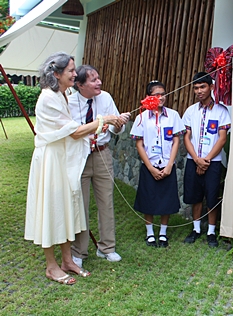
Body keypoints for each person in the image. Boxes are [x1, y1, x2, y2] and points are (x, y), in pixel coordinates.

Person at [25, 52, 122, 285]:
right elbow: (75, 131)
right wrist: (104, 120)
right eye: (70, 70)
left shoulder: (63, 94)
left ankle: (68, 260)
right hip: (51, 161)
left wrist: (105, 125)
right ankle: (52, 266)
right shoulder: (48, 98)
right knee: (52, 209)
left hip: (65, 158)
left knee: (68, 207)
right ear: (56, 74)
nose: (73, 73)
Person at [68, 65, 131, 268]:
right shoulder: (69, 102)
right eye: (93, 80)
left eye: (99, 78)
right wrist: (101, 121)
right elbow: (73, 132)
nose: (99, 83)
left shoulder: (105, 97)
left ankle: (107, 248)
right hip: (79, 156)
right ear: (80, 85)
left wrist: (119, 123)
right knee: (80, 205)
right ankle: (79, 251)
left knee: (106, 201)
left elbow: (115, 129)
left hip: (102, 153)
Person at [130, 81, 185, 247]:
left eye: (163, 94)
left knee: (166, 200)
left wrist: (169, 165)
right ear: (149, 97)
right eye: (156, 95)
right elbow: (139, 143)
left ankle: (162, 233)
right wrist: (150, 167)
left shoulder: (173, 115)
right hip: (150, 165)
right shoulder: (142, 117)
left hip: (167, 164)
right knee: (149, 199)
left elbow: (176, 140)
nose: (160, 98)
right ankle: (149, 233)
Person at [182, 72, 231, 247]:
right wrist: (197, 159)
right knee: (195, 196)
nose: (199, 91)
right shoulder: (190, 111)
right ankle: (196, 229)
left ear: (211, 87)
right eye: (196, 88)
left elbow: (222, 138)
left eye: (202, 87)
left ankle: (211, 232)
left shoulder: (221, 111)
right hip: (192, 160)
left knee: (211, 197)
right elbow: (186, 137)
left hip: (213, 162)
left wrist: (206, 160)